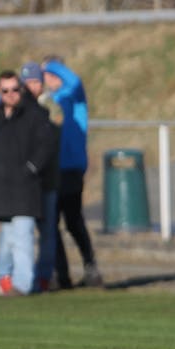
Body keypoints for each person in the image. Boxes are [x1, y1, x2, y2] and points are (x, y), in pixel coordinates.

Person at [0, 70, 57, 296]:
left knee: (24, 237)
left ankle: (23, 284)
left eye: (15, 89)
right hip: (3, 191)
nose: (11, 94)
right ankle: (4, 277)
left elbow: (45, 147)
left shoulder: (35, 114)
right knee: (7, 240)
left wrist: (30, 169)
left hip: (26, 190)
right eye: (5, 90)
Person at [42, 57, 103, 288]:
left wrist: (49, 65)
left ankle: (91, 266)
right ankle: (61, 273)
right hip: (52, 169)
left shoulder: (74, 95)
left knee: (73, 220)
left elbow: (75, 80)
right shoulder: (49, 101)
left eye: (48, 72)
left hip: (71, 168)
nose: (45, 77)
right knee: (51, 223)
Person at [21, 61, 61, 292]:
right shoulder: (19, 106)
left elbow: (50, 139)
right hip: (25, 182)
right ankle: (19, 277)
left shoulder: (50, 108)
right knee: (20, 231)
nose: (30, 86)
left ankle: (44, 276)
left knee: (47, 231)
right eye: (26, 82)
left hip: (46, 179)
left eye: (35, 81)